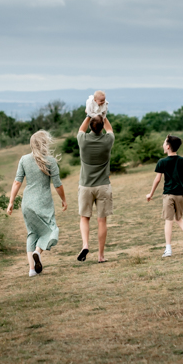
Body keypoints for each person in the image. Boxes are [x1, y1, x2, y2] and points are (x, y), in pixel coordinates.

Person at [7, 131, 67, 277]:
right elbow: (57, 185)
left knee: (32, 233)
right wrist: (64, 200)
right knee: (52, 230)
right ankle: (37, 252)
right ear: (45, 143)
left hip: (27, 203)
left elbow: (17, 182)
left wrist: (11, 201)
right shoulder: (50, 161)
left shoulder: (24, 159)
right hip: (43, 202)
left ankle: (32, 270)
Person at [145, 134, 183, 257]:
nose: (163, 145)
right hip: (181, 194)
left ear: (168, 147)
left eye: (164, 143)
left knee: (168, 221)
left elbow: (157, 180)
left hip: (168, 195)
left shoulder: (162, 162)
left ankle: (168, 249)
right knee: (178, 218)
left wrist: (150, 194)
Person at [76, 113, 114, 263]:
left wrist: (88, 115)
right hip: (103, 186)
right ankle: (101, 256)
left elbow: (81, 129)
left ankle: (85, 244)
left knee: (84, 218)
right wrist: (104, 115)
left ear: (91, 126)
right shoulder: (107, 140)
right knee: (101, 221)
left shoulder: (83, 140)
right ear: (102, 127)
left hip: (85, 186)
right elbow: (110, 130)